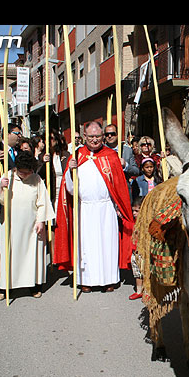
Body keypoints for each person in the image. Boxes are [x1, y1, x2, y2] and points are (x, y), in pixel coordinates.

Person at [53, 121, 134, 293]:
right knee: (86, 246)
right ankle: (86, 280)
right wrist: (70, 171)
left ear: (103, 136)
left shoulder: (111, 155)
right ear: (84, 136)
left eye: (98, 136)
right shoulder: (77, 155)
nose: (95, 140)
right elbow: (70, 190)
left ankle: (109, 279)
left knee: (107, 244)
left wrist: (119, 206)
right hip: (85, 209)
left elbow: (118, 185)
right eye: (91, 136)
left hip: (106, 209)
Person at [0, 150, 55, 300]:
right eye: (23, 173)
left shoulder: (36, 179)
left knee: (31, 255)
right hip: (10, 223)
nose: (26, 175)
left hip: (31, 224)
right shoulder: (7, 176)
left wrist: (41, 220)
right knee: (8, 254)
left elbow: (43, 201)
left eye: (29, 172)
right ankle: (4, 286)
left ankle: (33, 285)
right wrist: (0, 188)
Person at [128, 196, 144, 300]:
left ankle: (147, 291)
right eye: (133, 211)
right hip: (135, 252)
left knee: (145, 273)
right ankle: (139, 291)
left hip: (144, 252)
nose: (134, 213)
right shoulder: (133, 222)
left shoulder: (146, 223)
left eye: (137, 211)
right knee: (137, 273)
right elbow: (127, 225)